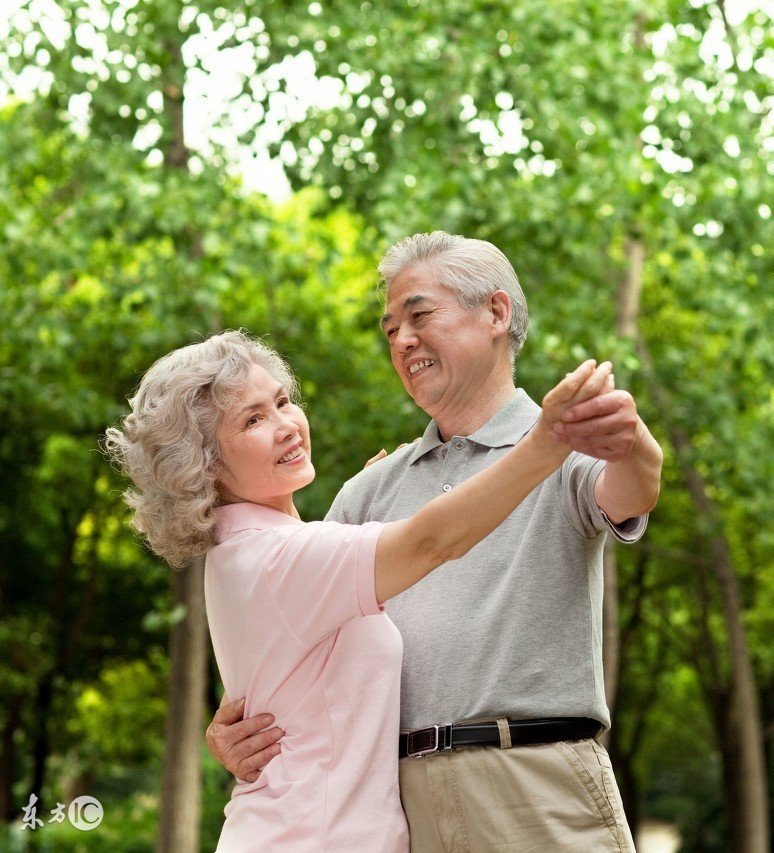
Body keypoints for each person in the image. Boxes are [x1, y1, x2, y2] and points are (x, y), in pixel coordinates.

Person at [208, 232, 664, 852]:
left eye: (420, 315)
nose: (402, 340)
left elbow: (631, 491)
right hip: (398, 807)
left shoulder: (561, 443)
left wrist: (634, 443)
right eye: (390, 327)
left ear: (496, 314)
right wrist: (233, 730)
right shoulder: (368, 491)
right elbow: (301, 647)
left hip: (533, 785)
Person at [105, 329, 613, 851]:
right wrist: (545, 445)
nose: (285, 426)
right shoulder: (277, 560)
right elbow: (431, 542)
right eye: (253, 420)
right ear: (205, 464)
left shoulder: (256, 552)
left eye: (282, 402)